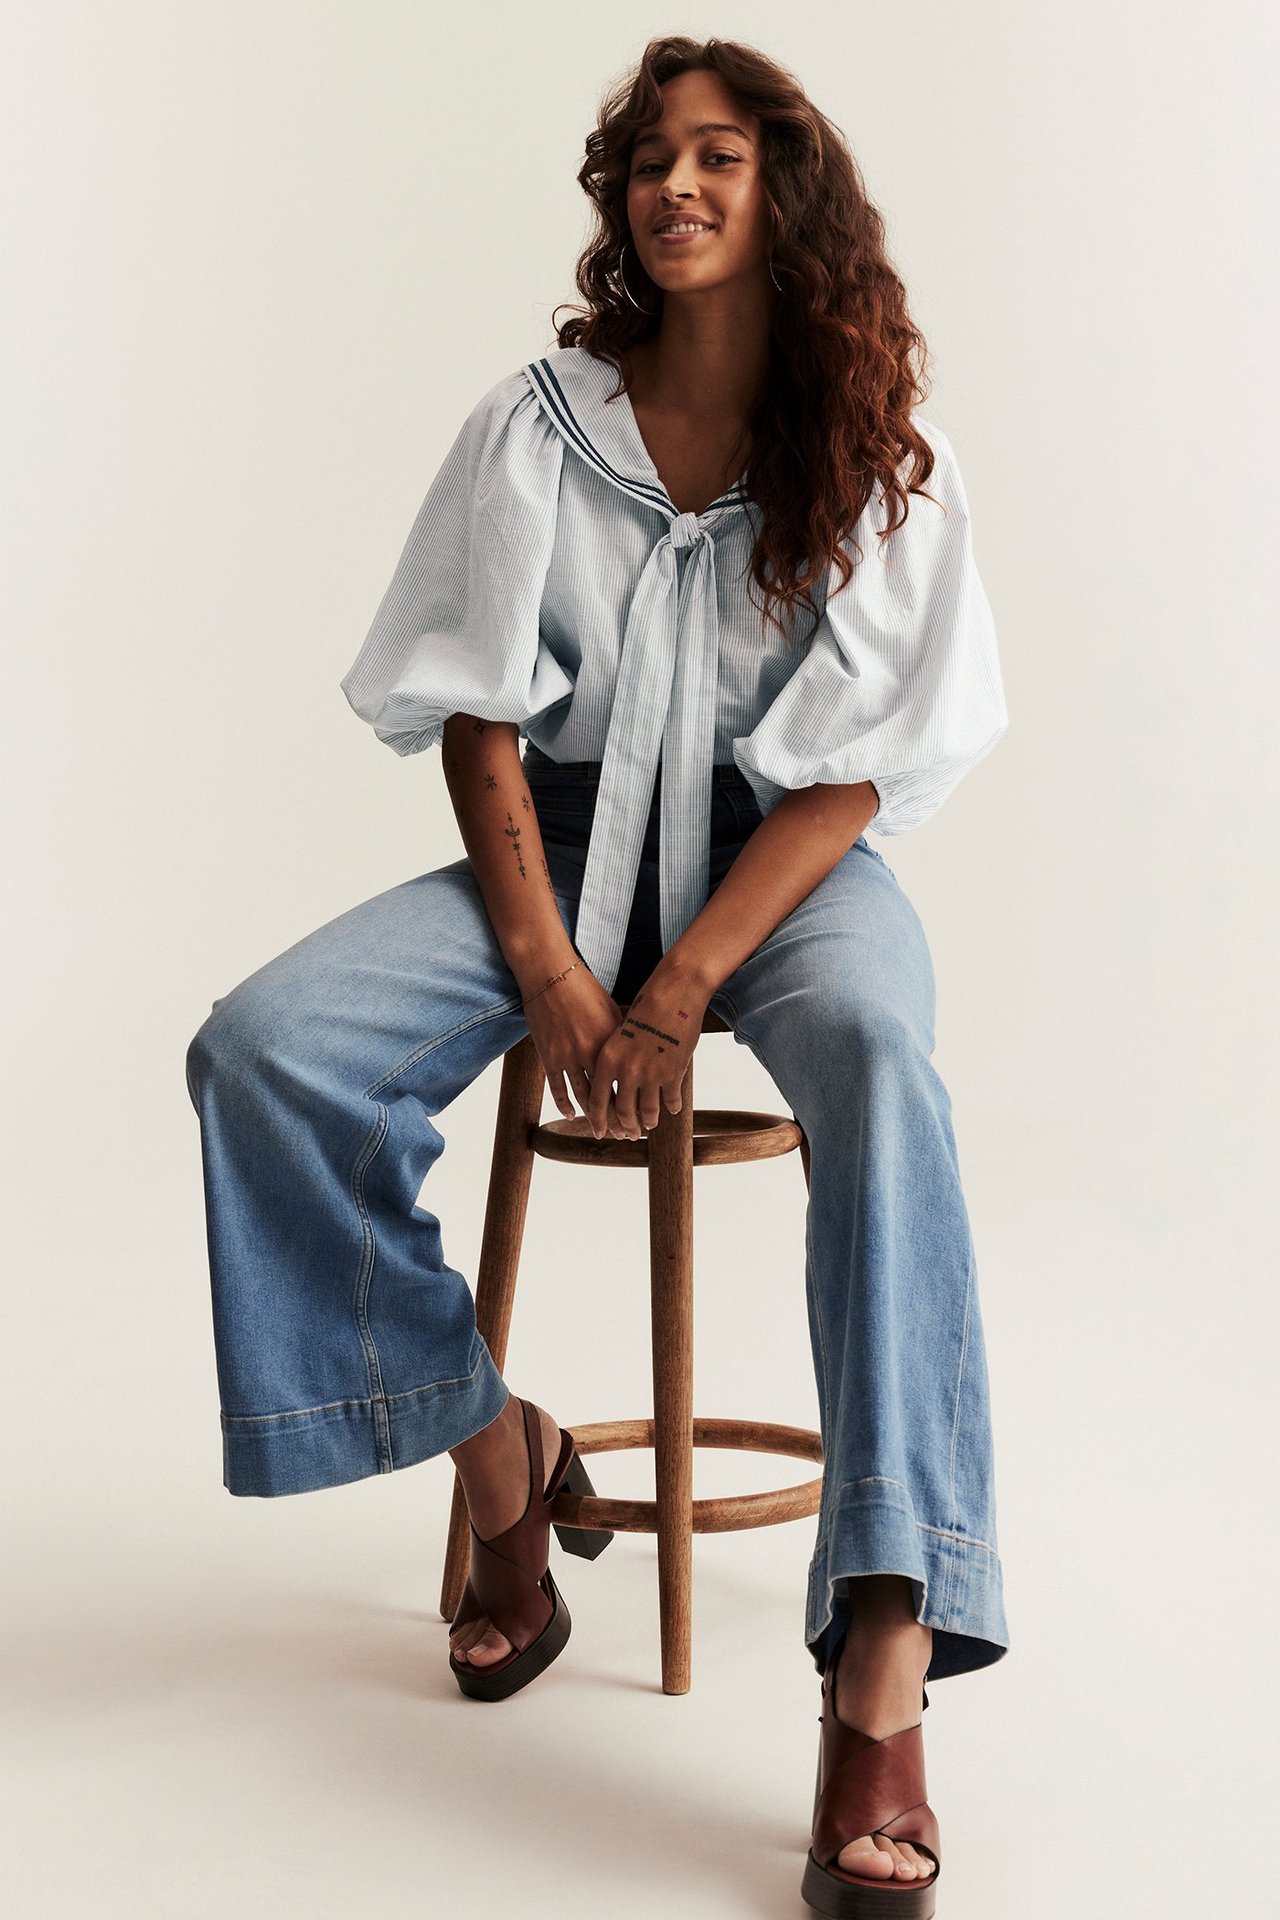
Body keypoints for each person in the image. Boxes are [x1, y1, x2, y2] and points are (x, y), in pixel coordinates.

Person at [185, 35, 1010, 1917]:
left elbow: (860, 770)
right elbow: (480, 718)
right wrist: (556, 966)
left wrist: (676, 988)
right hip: (549, 841)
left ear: (783, 190)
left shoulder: (880, 443)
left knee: (882, 1057)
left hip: (791, 863)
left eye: (718, 155)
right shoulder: (538, 422)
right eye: (648, 160)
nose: (676, 186)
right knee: (267, 1051)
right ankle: (501, 1447)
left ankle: (884, 1645)